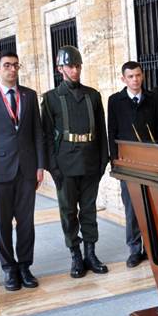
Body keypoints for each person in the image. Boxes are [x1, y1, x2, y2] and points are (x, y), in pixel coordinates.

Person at [41, 45, 109, 278]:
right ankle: (76, 255)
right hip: (65, 163)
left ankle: (91, 253)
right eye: (71, 66)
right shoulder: (51, 99)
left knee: (88, 210)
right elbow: (47, 136)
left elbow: (101, 130)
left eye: (78, 66)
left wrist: (103, 160)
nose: (75, 70)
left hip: (90, 160)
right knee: (68, 211)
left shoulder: (93, 96)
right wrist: (53, 167)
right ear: (60, 68)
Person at [0, 51, 45, 291]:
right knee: (2, 224)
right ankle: (9, 269)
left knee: (26, 223)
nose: (12, 69)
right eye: (7, 65)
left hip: (27, 169)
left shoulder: (29, 96)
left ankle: (25, 267)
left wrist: (40, 166)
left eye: (15, 65)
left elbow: (37, 133)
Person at [108, 61, 158, 268]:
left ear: (143, 76)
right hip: (127, 163)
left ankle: (151, 248)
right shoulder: (115, 101)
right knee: (132, 207)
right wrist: (115, 163)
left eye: (138, 75)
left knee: (152, 205)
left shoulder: (153, 98)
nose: (135, 80)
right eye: (130, 76)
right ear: (123, 79)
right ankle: (134, 249)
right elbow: (111, 132)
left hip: (150, 163)